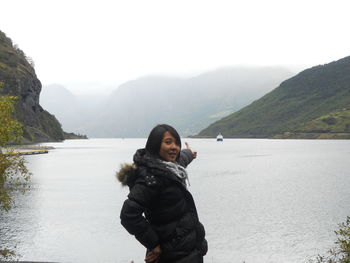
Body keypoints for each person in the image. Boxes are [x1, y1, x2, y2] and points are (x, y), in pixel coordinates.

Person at [117, 124, 208, 263]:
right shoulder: (150, 178)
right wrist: (153, 244)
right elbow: (128, 215)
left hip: (188, 250)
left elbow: (181, 158)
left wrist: (190, 153)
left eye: (177, 143)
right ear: (155, 145)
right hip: (172, 255)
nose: (174, 147)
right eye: (168, 142)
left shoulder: (170, 168)